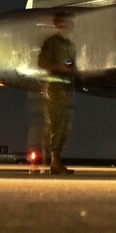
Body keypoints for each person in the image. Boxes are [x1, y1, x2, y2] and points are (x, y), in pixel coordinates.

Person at [33, 13, 77, 174]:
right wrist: (59, 67)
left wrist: (72, 70)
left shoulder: (70, 45)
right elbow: (41, 62)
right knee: (56, 124)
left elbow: (72, 65)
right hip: (55, 88)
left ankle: (56, 161)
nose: (69, 26)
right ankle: (53, 161)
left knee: (64, 126)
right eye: (65, 23)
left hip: (67, 88)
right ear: (58, 25)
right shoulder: (51, 43)